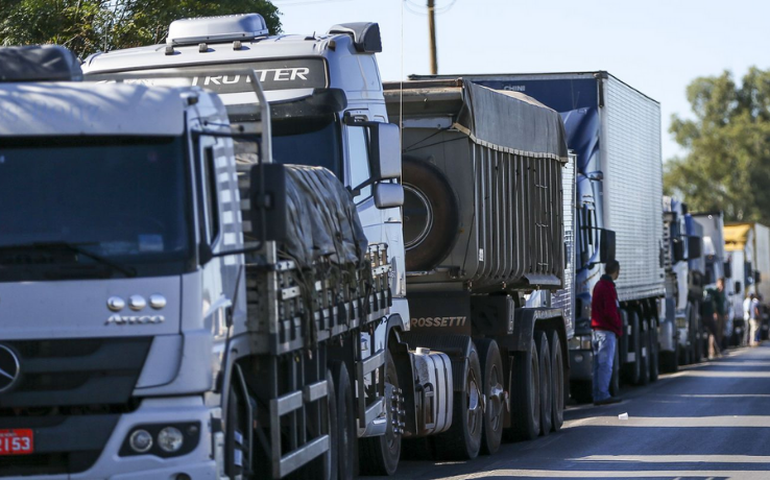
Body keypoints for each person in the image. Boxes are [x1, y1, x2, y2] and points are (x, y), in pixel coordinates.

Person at [591, 260, 623, 405]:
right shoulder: (608, 287)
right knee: (606, 365)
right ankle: (603, 394)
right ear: (615, 271)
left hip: (596, 330)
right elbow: (610, 311)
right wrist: (618, 326)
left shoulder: (598, 285)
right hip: (606, 331)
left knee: (598, 366)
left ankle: (597, 394)